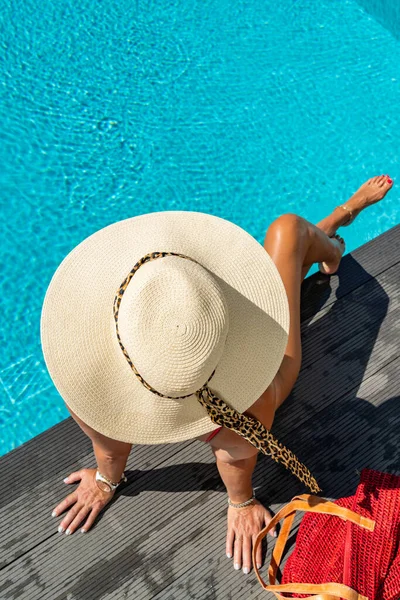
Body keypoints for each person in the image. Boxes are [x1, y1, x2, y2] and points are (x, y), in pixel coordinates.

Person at [41, 175, 393, 577]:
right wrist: (105, 478)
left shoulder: (246, 395)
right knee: (287, 235)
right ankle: (328, 235)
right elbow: (108, 440)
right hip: (231, 344)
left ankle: (335, 231)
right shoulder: (88, 378)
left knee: (288, 229)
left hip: (270, 368)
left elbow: (237, 449)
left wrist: (241, 501)